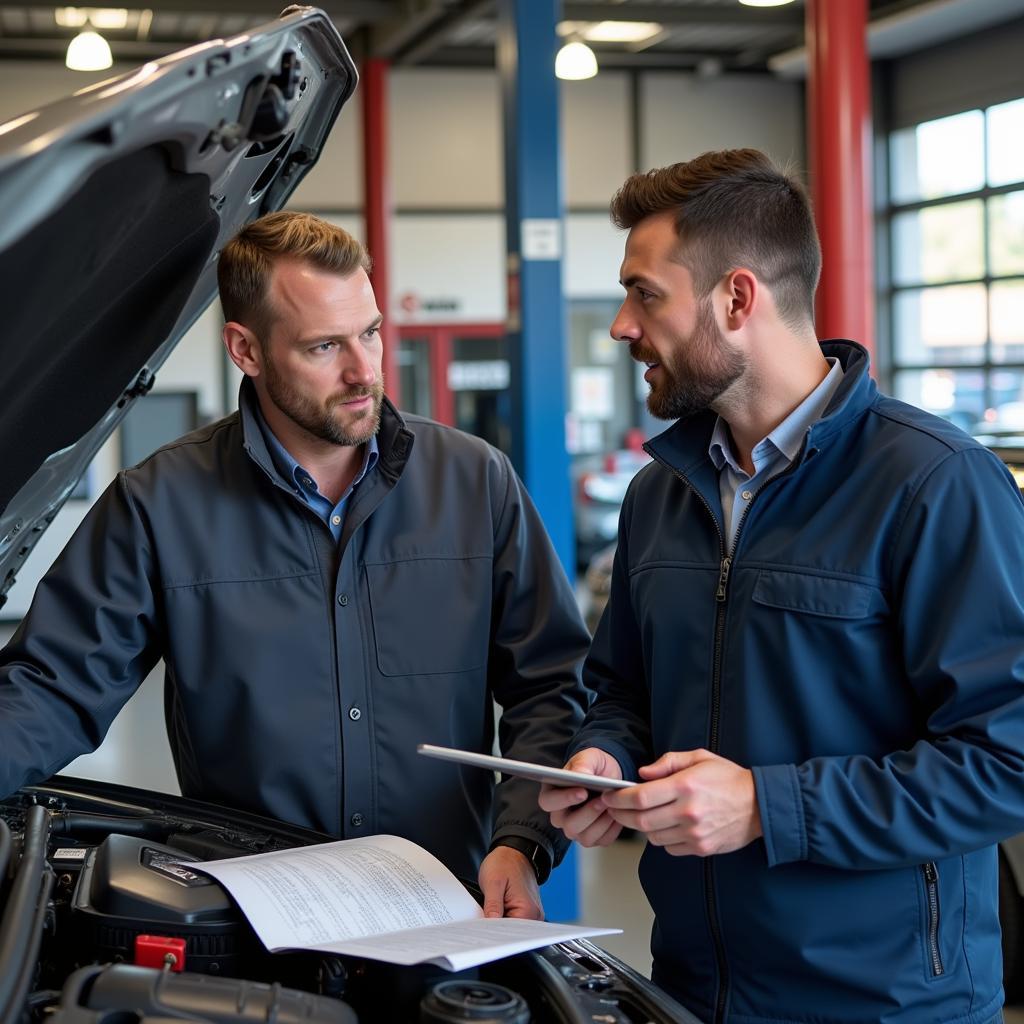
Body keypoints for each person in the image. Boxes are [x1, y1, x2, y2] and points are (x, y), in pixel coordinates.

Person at [540, 149, 1024, 1023]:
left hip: (889, 1003)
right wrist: (603, 756)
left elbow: (1006, 763)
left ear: (737, 298)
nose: (621, 325)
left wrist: (769, 806)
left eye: (644, 293)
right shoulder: (662, 493)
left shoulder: (933, 484)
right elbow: (622, 691)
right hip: (693, 989)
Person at [0, 211, 591, 920]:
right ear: (246, 350)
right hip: (252, 922)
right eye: (324, 346)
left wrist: (521, 840)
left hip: (445, 907)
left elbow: (552, 685)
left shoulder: (475, 483)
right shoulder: (160, 504)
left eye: (370, 332)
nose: (364, 370)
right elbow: (53, 686)